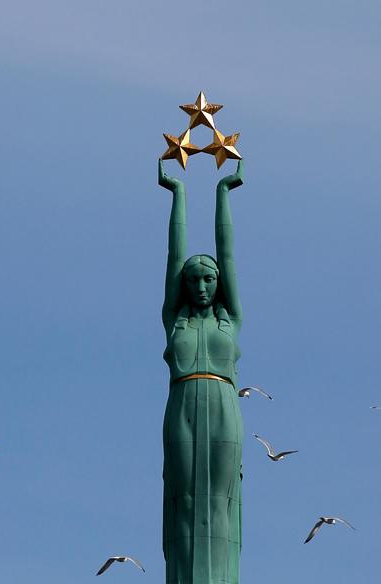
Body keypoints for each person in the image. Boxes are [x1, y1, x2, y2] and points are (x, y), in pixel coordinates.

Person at [158, 158, 245, 584]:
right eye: (194, 280)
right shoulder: (174, 319)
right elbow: (175, 255)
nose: (202, 286)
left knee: (219, 504)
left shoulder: (230, 319)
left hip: (224, 406)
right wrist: (178, 194)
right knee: (185, 501)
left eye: (208, 279)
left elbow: (226, 252)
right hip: (183, 405)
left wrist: (222, 193)